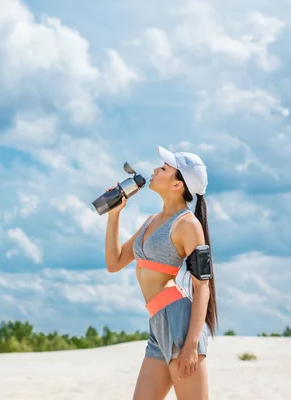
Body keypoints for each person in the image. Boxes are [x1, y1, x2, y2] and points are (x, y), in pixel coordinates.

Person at [104, 146, 217, 400]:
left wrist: (190, 345)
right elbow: (114, 262)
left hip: (180, 324)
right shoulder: (150, 221)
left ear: (178, 185)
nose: (155, 170)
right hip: (157, 324)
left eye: (164, 168)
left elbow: (203, 288)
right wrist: (114, 216)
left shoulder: (188, 224)